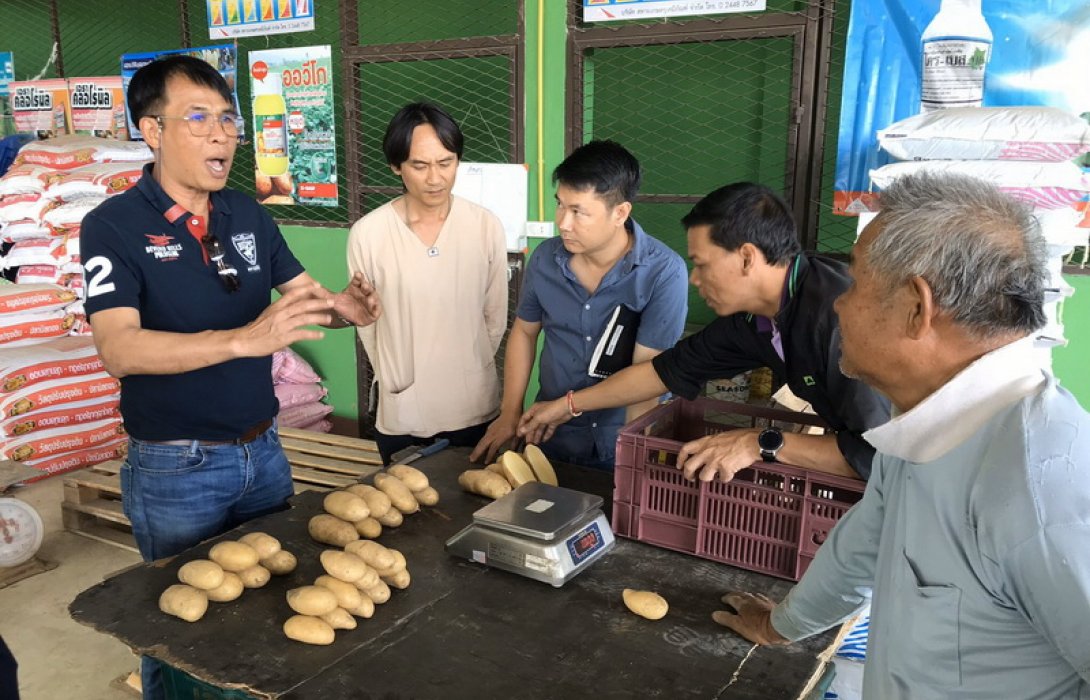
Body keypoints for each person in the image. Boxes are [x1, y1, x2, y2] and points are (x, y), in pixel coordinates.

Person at [715, 173, 1090, 699]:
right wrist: (779, 626)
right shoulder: (921, 424)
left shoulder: (1046, 492)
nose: (840, 304)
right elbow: (860, 548)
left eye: (858, 282)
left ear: (917, 307)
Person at [81, 55, 379, 699]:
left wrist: (342, 309)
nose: (222, 135)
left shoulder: (246, 213)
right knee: (179, 629)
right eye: (199, 118)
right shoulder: (112, 226)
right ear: (152, 131)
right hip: (175, 467)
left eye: (227, 119)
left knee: (269, 609)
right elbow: (120, 349)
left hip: (263, 451)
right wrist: (246, 338)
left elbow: (304, 299)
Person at [519, 182, 889, 480]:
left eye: (701, 265)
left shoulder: (839, 317)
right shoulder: (754, 319)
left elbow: (879, 456)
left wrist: (757, 443)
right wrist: (567, 406)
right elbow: (663, 372)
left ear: (747, 257)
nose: (694, 280)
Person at [471, 140, 688, 468]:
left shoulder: (663, 272)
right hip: (551, 431)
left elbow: (648, 378)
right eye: (560, 205)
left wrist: (637, 459)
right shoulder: (545, 259)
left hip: (621, 436)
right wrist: (510, 412)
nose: (563, 222)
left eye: (578, 211)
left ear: (620, 213)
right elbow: (525, 332)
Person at [347, 103, 508, 464]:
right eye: (419, 165)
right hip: (404, 410)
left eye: (446, 163)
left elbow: (494, 316)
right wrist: (397, 376)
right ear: (396, 166)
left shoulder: (485, 226)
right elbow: (368, 326)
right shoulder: (369, 233)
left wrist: (469, 364)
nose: (435, 178)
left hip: (474, 407)